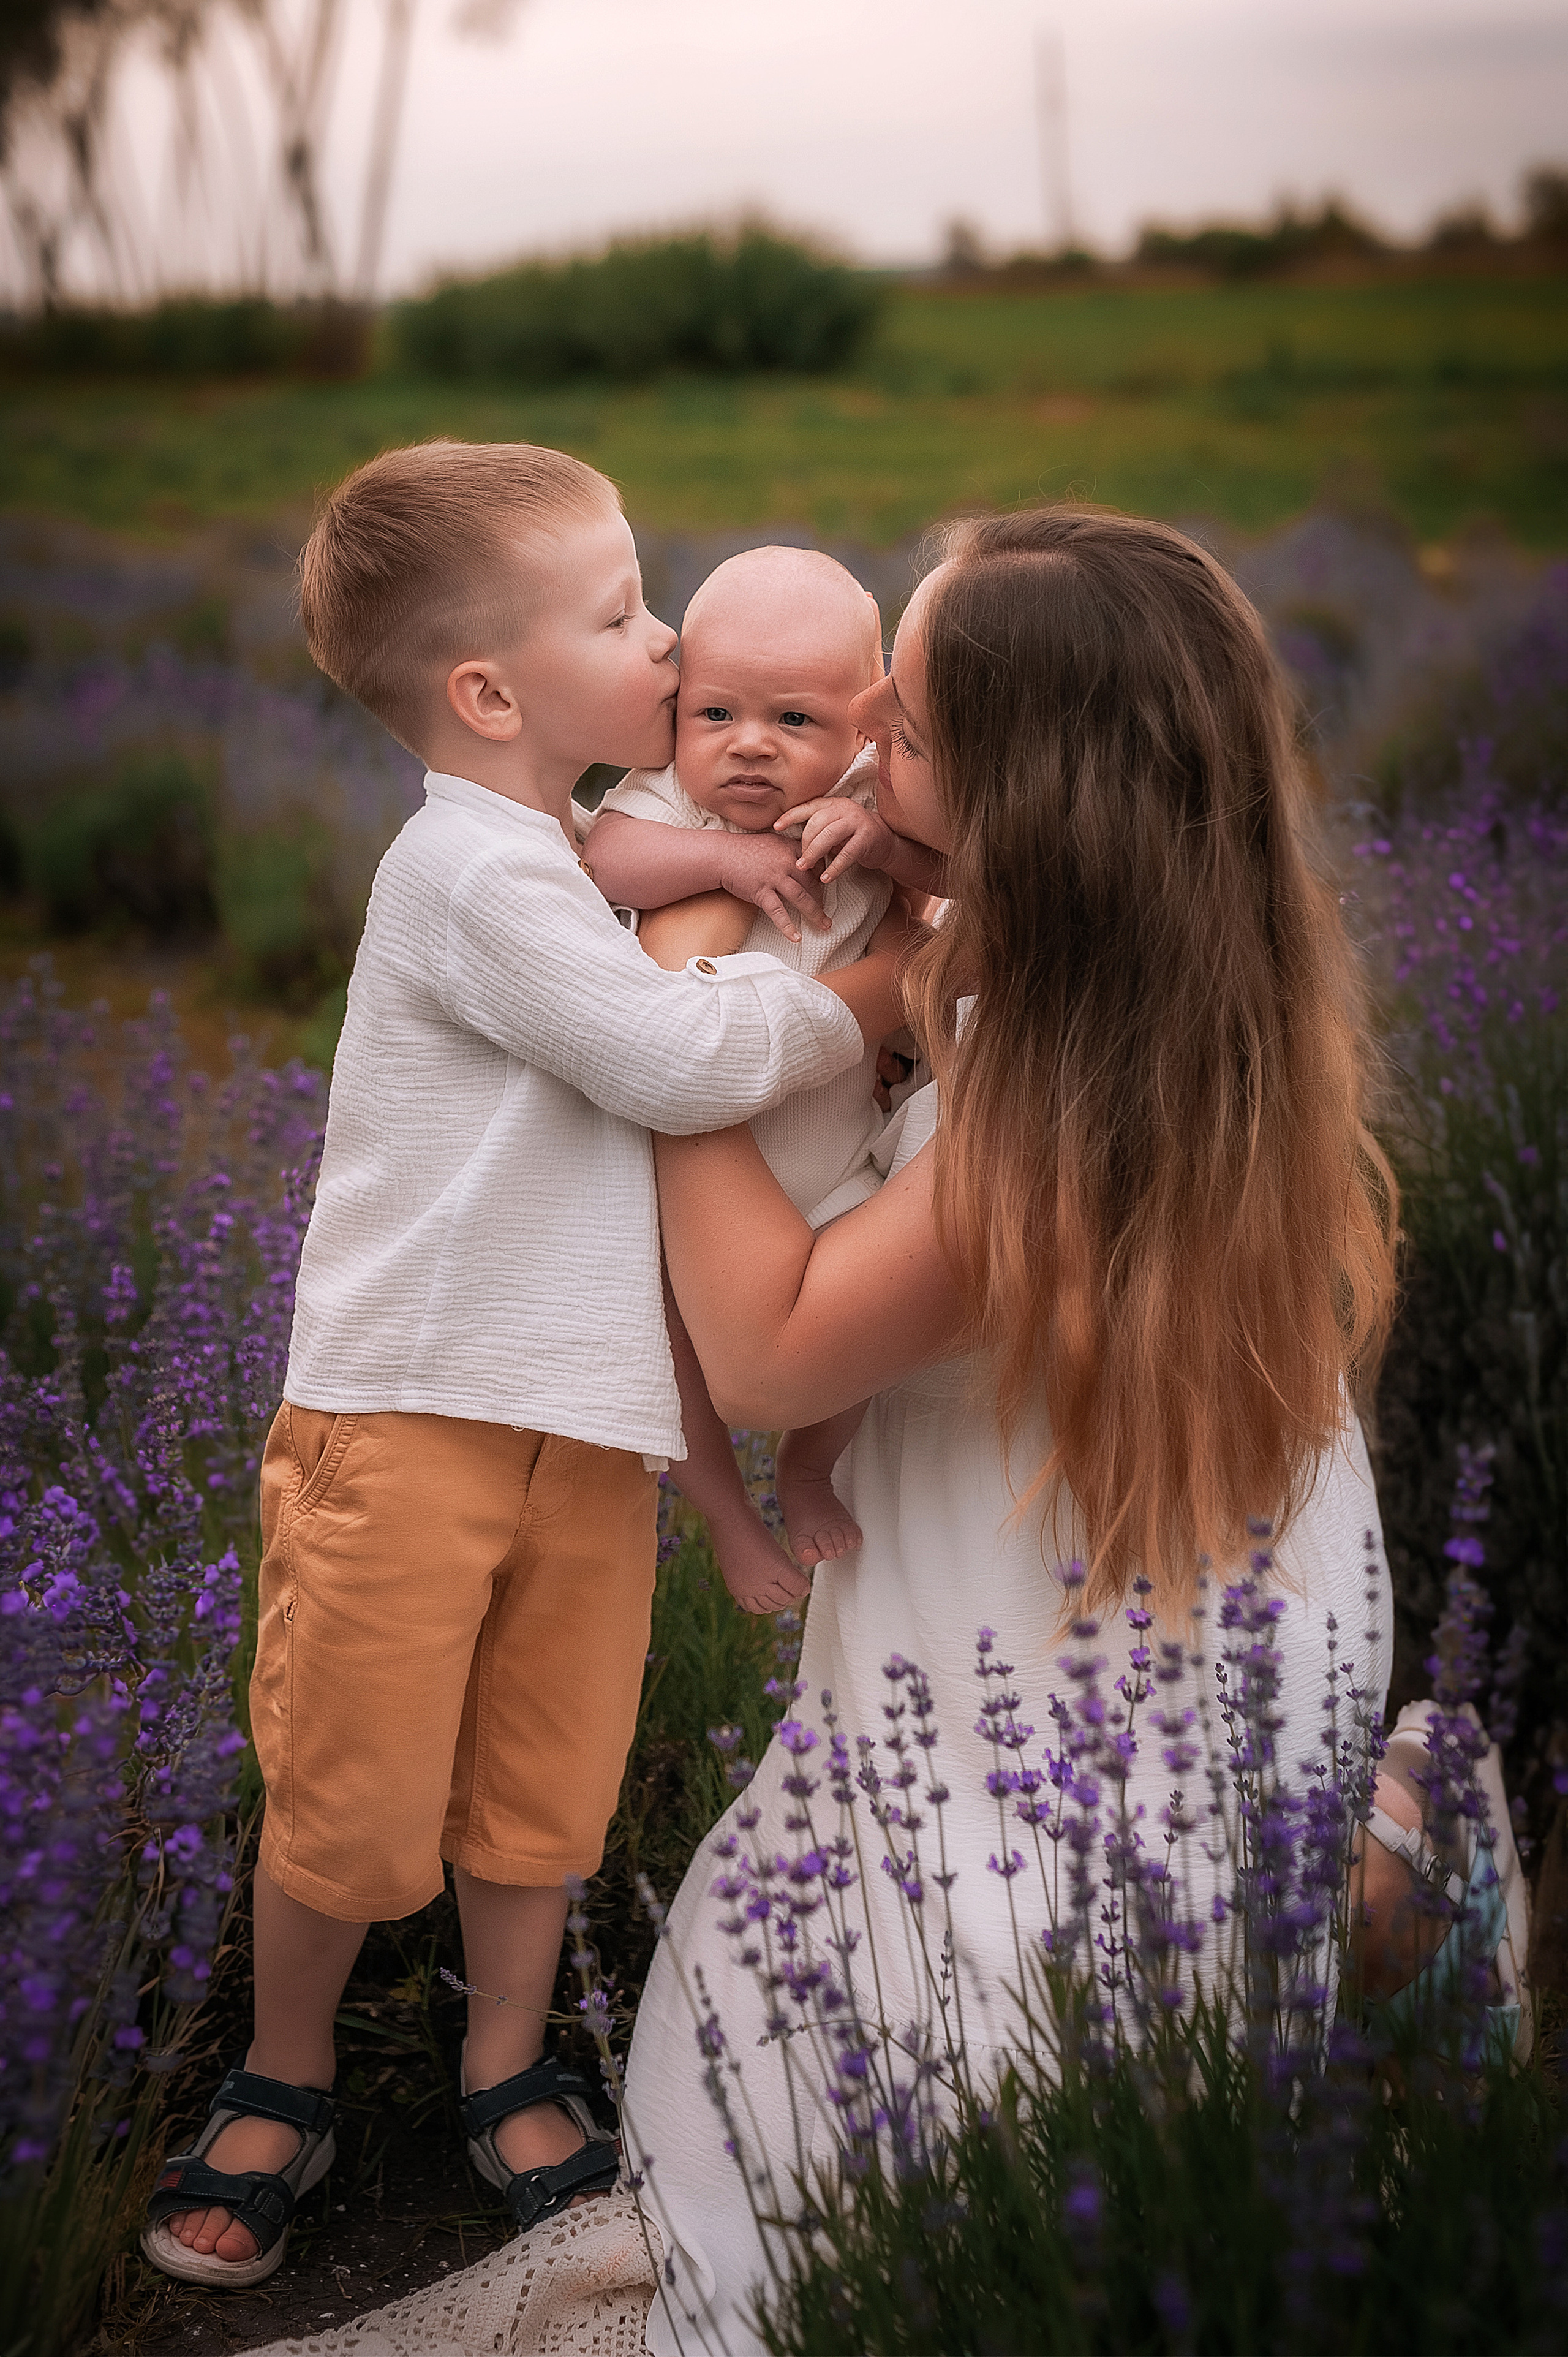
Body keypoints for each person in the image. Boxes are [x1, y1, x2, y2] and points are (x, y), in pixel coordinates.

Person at [619, 505, 1411, 2355]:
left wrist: (671, 1035)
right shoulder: (1172, 968)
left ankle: (1362, 1897)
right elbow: (911, 962)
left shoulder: (1070, 1112)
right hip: (1153, 1596)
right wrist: (890, 944)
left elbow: (768, 1352)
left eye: (896, 731)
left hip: (1048, 1670)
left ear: (1029, 807)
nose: (853, 762)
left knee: (830, 2143)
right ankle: (1357, 1875)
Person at [140, 440, 909, 2292]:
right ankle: (285, 2068)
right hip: (412, 1413)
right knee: (350, 1781)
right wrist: (880, 998)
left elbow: (664, 849)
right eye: (626, 615)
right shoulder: (467, 874)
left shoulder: (568, 842)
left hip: (588, 1424)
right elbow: (671, 1062)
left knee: (543, 1780)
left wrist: (760, 841)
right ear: (490, 695)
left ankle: (503, 2061)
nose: (665, 646)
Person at [587, 544, 943, 1607]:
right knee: (668, 1359)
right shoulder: (672, 804)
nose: (749, 745)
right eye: (716, 714)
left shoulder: (870, 797)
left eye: (794, 719)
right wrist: (723, 861)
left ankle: (807, 1467)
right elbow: (606, 859)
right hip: (688, 1178)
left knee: (865, 1333)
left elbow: (941, 885)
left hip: (836, 1153)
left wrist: (881, 845)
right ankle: (728, 1518)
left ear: (864, 727)